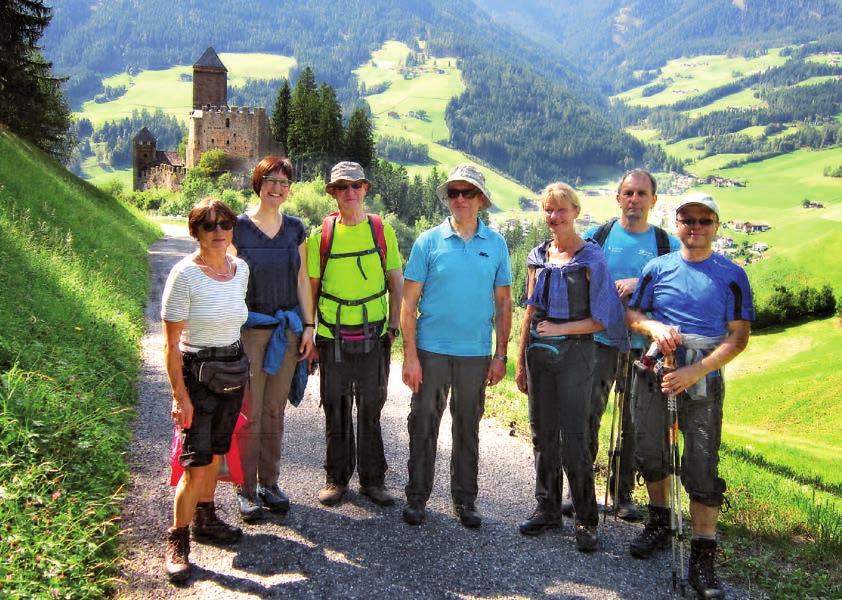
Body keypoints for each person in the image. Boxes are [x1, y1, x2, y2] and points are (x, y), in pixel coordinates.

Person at [626, 192, 753, 598]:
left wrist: (694, 370)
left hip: (702, 378)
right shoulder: (656, 267)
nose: (695, 228)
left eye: (704, 220)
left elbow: (738, 337)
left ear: (715, 225)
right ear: (677, 223)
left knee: (700, 461)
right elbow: (634, 314)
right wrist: (653, 329)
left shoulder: (732, 274)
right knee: (649, 450)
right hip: (655, 367)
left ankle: (703, 553)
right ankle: (660, 520)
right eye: (688, 220)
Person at [513, 182, 628, 552]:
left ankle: (585, 518)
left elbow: (603, 319)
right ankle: (546, 507)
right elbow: (530, 312)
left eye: (561, 210)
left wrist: (562, 327)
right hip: (539, 356)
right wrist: (519, 362)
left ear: (576, 212)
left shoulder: (591, 260)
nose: (554, 217)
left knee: (574, 439)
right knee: (542, 433)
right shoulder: (538, 257)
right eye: (548, 210)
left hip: (578, 355)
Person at [401, 163, 512, 528]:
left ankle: (465, 501)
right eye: (454, 193)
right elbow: (408, 302)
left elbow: (504, 304)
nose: (460, 199)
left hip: (475, 354)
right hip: (431, 351)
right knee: (423, 424)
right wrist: (411, 357)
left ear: (481, 200)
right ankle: (417, 498)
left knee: (468, 428)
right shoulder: (428, 242)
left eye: (468, 193)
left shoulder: (496, 245)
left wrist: (500, 355)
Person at [575, 169, 679, 522]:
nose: (634, 199)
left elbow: (681, 284)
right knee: (588, 416)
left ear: (653, 200)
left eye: (641, 193)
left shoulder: (667, 245)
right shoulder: (597, 236)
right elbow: (572, 274)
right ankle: (583, 492)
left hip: (645, 349)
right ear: (618, 197)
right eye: (628, 193)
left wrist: (642, 280)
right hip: (599, 342)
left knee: (634, 424)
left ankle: (622, 495)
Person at [161, 197, 249, 582]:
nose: (219, 232)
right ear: (195, 231)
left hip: (232, 370)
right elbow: (170, 344)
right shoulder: (184, 275)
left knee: (215, 452)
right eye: (209, 225)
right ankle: (177, 539)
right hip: (197, 376)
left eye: (225, 224)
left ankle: (206, 518)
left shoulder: (240, 269)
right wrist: (180, 397)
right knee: (195, 464)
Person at [307, 161, 404, 507]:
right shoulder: (321, 237)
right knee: (335, 408)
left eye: (355, 186)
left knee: (371, 409)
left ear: (365, 189)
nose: (349, 192)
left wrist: (393, 326)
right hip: (332, 339)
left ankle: (373, 481)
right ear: (333, 193)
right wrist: (310, 332)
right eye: (342, 187)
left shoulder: (382, 231)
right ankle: (336, 479)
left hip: (374, 335)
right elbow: (312, 290)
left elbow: (396, 282)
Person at [230, 156, 315, 522]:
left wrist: (309, 326)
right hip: (248, 333)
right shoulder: (237, 229)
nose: (277, 188)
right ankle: (245, 488)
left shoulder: (296, 229)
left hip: (287, 332)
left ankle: (270, 482)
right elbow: (225, 278)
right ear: (258, 183)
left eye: (283, 181)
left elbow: (302, 280)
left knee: (274, 412)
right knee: (248, 413)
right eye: (270, 180)